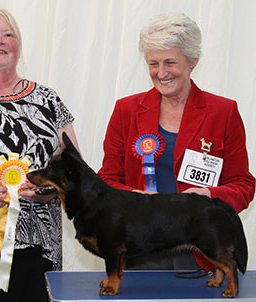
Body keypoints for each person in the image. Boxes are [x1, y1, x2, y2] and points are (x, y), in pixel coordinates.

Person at [98, 12, 255, 270]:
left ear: (192, 61)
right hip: (139, 249)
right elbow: (106, 180)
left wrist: (207, 196)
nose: (161, 73)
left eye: (170, 62)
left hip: (201, 251)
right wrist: (132, 199)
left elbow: (243, 185)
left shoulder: (223, 112)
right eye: (153, 63)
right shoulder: (125, 110)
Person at [0, 9, 79, 302]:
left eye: (8, 34)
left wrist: (49, 190)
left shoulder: (48, 100)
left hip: (39, 248)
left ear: (19, 45)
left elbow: (76, 170)